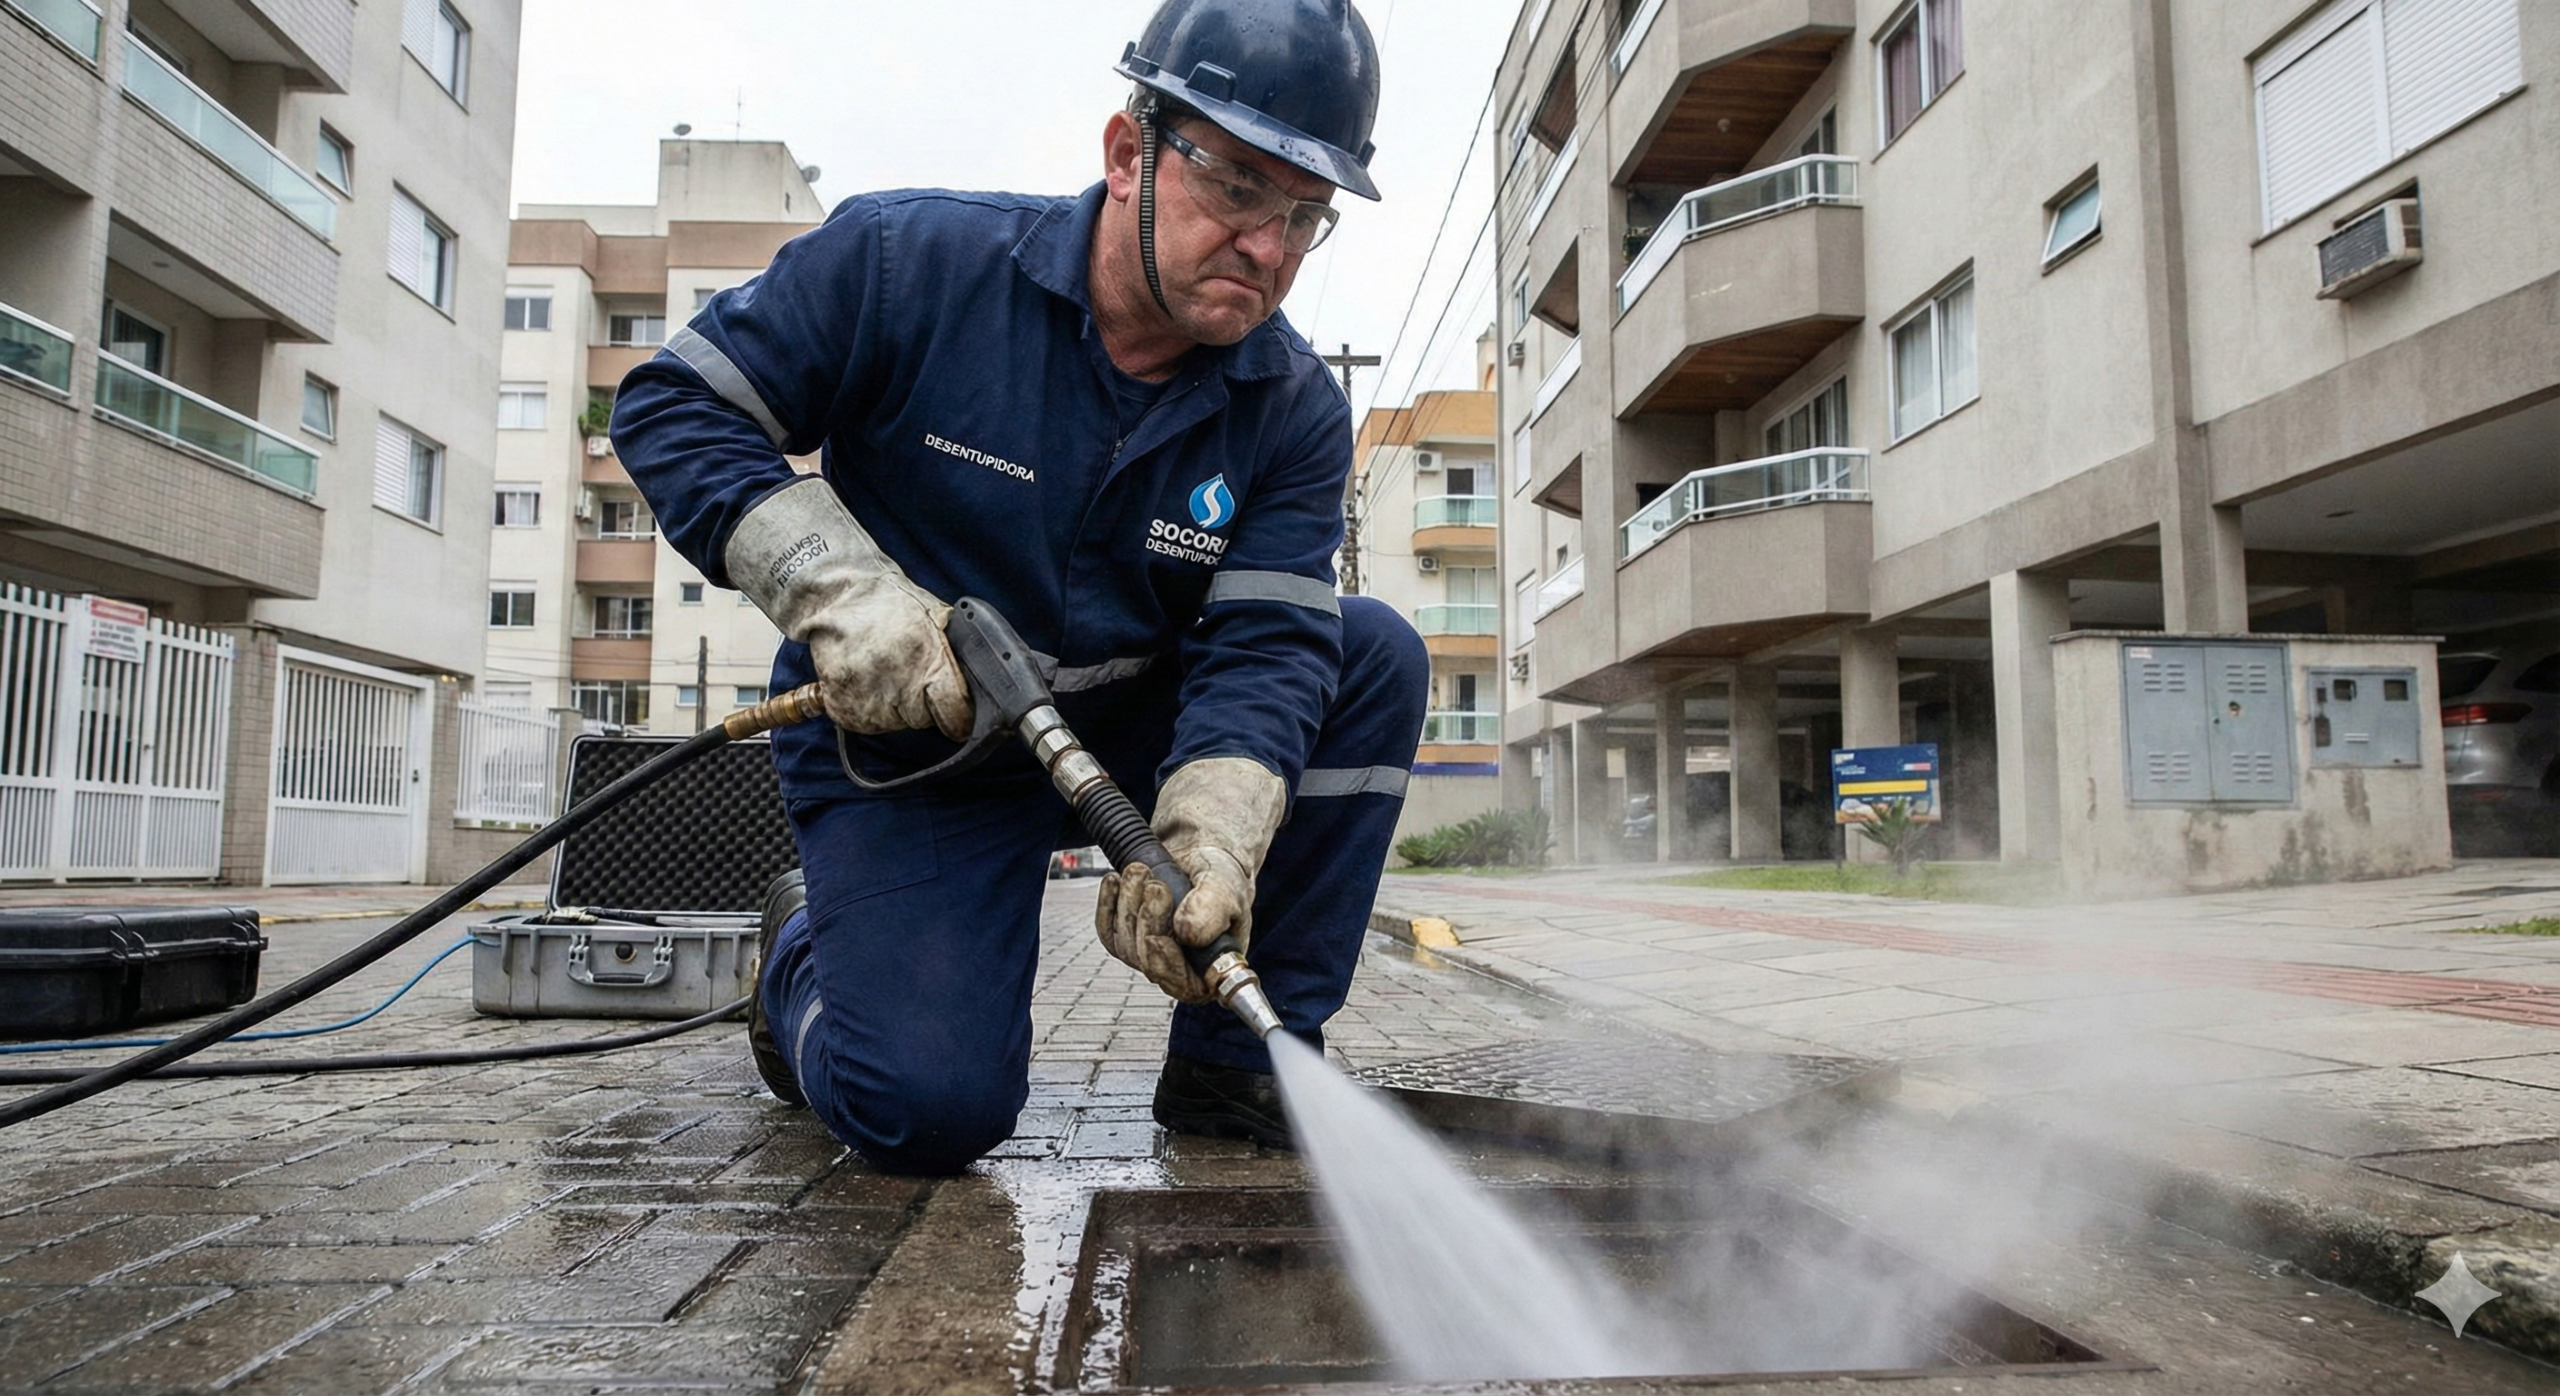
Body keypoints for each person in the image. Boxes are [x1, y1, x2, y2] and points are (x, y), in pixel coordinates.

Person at [611, 0, 1426, 1177]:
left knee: (1371, 650)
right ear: (1126, 152)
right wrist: (842, 593)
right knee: (925, 1113)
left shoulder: (1290, 404)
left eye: (1306, 216)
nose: (1269, 246)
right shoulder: (908, 262)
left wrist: (1212, 835)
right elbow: (676, 404)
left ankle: (1241, 1062)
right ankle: (798, 950)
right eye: (1239, 188)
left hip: (1131, 726)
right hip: (916, 742)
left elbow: (1267, 643)